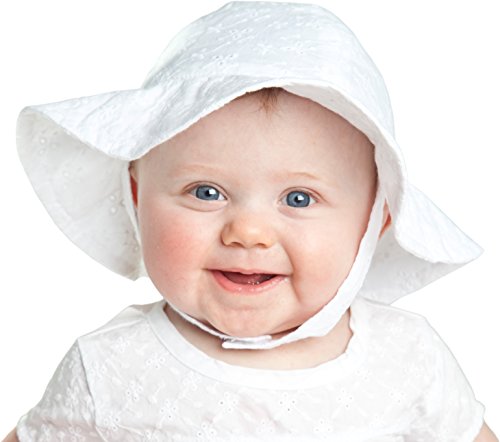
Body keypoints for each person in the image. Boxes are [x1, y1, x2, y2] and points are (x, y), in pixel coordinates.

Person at [3, 2, 497, 440]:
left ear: (376, 219)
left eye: (299, 198)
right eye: (206, 192)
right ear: (136, 199)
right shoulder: (108, 368)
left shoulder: (409, 358)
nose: (248, 233)